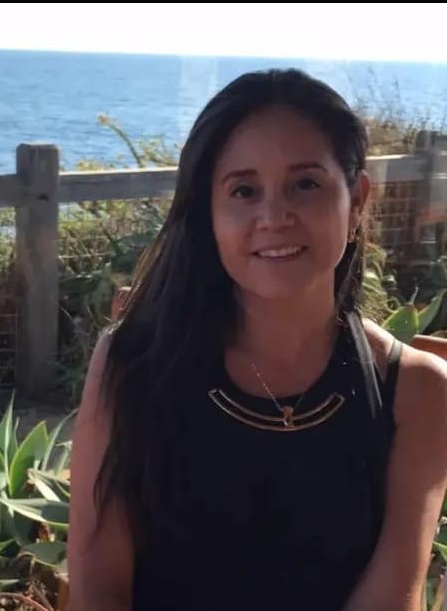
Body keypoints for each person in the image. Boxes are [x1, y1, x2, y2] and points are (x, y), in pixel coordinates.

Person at [67, 68, 447, 611]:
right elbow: (99, 585)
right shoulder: (135, 361)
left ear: (358, 199)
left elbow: (389, 599)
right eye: (243, 191)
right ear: (209, 213)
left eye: (305, 184)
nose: (274, 217)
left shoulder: (417, 392)